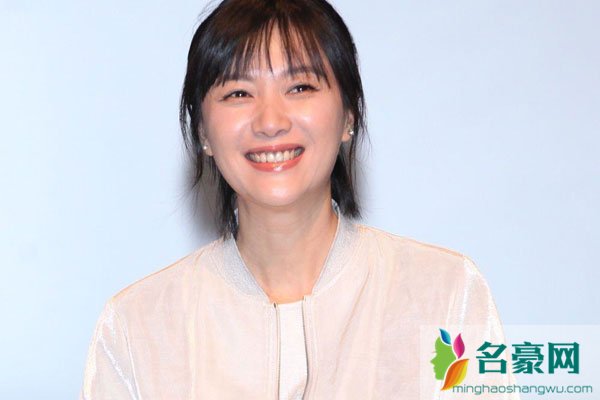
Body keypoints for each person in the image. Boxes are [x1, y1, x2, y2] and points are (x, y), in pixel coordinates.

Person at [80, 0, 518, 399]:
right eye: (238, 93)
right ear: (203, 133)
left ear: (348, 115)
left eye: (301, 87)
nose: (270, 121)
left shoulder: (444, 293)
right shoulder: (137, 327)